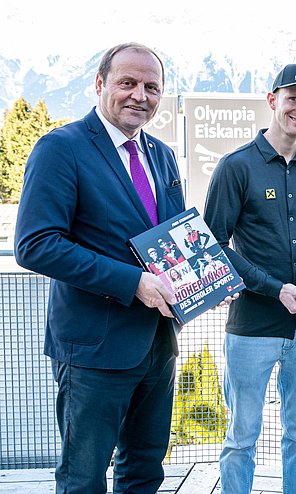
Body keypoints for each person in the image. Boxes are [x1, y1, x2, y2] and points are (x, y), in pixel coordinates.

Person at [14, 42, 190, 494]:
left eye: (152, 87)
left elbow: (171, 238)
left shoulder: (162, 155)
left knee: (145, 471)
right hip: (94, 348)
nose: (140, 95)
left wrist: (203, 279)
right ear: (99, 84)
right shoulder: (61, 148)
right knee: (84, 478)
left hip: (157, 342)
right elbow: (36, 245)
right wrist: (133, 283)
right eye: (127, 83)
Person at [203, 63, 296, 494]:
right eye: (294, 99)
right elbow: (215, 245)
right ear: (272, 100)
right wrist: (274, 288)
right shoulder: (235, 166)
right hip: (252, 326)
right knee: (241, 438)